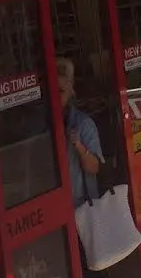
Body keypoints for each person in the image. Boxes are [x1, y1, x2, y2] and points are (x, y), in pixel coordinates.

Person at [57, 58, 103, 206]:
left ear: (71, 92)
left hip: (81, 208)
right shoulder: (41, 126)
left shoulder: (84, 125)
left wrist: (80, 148)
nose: (56, 98)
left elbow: (94, 167)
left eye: (61, 91)